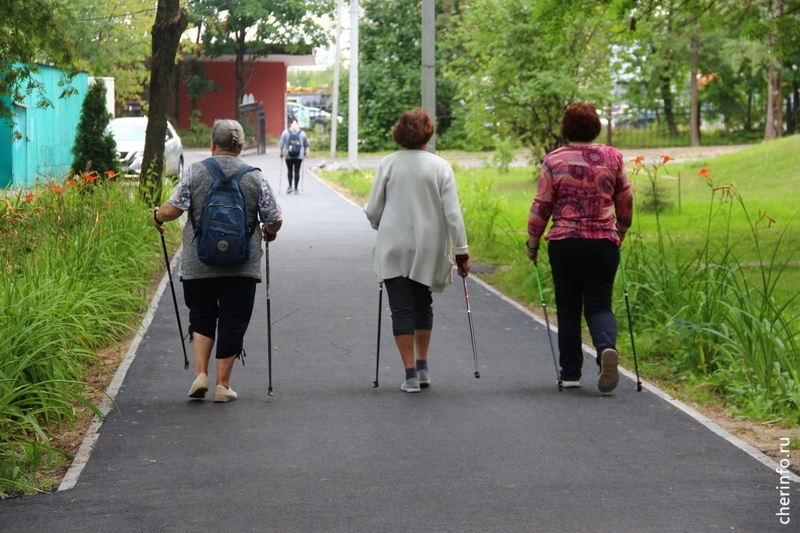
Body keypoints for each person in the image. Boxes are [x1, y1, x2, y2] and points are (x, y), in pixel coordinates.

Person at [153, 119, 283, 402]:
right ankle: (223, 385)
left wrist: (158, 216)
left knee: (202, 316)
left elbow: (173, 209)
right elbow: (274, 218)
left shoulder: (195, 172)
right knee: (233, 319)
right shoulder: (255, 176)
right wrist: (268, 233)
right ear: (241, 146)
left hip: (199, 262)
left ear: (212, 143)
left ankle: (201, 373)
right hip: (242, 264)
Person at [526, 102, 633, 393]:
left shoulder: (554, 160)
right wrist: (619, 231)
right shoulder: (612, 157)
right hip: (603, 243)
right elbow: (626, 202)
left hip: (565, 244)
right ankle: (605, 347)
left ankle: (571, 373)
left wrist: (532, 243)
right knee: (599, 305)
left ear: (565, 128)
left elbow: (542, 205)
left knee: (569, 306)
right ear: (596, 127)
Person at [364, 108, 470, 393]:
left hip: (393, 247)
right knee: (423, 305)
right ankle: (423, 368)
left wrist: (377, 223)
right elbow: (454, 214)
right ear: (428, 133)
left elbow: (373, 209)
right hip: (429, 248)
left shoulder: (388, 164)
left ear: (400, 133)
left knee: (401, 310)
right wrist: (462, 251)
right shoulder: (440, 167)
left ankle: (410, 375)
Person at [278, 120, 310, 194]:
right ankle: (296, 188)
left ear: (290, 124)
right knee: (297, 171)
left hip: (288, 155)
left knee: (290, 171)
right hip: (299, 155)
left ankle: (290, 186)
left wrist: (281, 152)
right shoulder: (302, 133)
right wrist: (304, 152)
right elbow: (306, 144)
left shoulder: (285, 132)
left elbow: (281, 143)